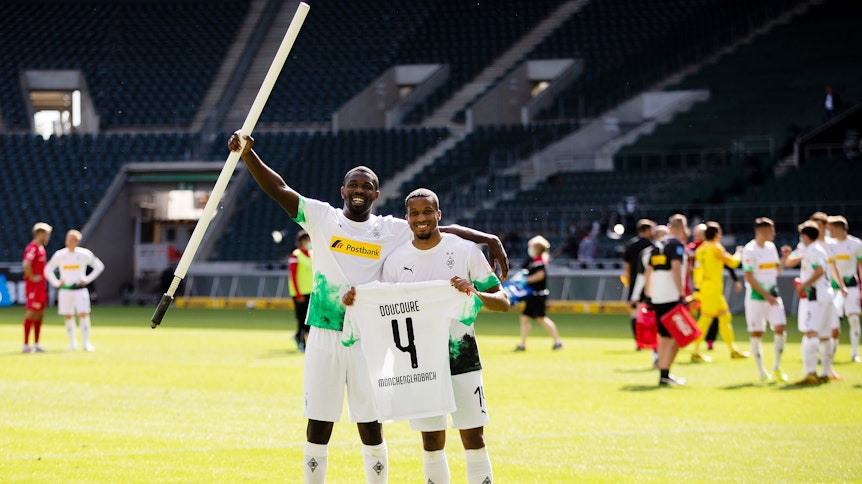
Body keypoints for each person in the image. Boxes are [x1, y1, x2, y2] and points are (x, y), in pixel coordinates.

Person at [228, 131, 508, 484]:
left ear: (376, 194)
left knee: (371, 423)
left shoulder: (390, 230)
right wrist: (248, 155)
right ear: (342, 191)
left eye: (366, 186)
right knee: (318, 422)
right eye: (353, 185)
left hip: (368, 338)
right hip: (324, 331)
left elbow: (433, 227)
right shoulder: (321, 217)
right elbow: (280, 189)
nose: (359, 191)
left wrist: (487, 238)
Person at [344, 188, 509, 484]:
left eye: (427, 212)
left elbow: (504, 301)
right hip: (420, 365)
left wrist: (475, 292)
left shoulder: (463, 250)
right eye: (415, 213)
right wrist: (357, 300)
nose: (421, 219)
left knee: (473, 436)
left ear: (439, 215)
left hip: (462, 355)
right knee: (432, 442)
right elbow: (384, 309)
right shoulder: (396, 261)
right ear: (407, 218)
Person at [741, 218, 792, 383]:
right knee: (757, 334)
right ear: (762, 231)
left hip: (773, 295)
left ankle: (776, 368)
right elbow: (749, 278)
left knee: (780, 328)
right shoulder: (749, 250)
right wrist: (766, 295)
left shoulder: (771, 248)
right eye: (771, 230)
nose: (774, 234)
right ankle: (762, 371)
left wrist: (785, 258)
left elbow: (775, 271)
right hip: (756, 298)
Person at [690, 222, 748, 362]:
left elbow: (697, 271)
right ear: (717, 234)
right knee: (705, 320)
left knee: (725, 317)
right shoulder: (716, 248)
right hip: (713, 290)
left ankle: (733, 350)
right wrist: (739, 252)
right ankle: (695, 351)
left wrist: (698, 288)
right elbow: (733, 262)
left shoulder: (701, 249)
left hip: (707, 288)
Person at [44, 230, 105, 351]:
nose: (68, 242)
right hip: (65, 290)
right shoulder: (60, 255)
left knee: (83, 314)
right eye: (67, 239)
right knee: (68, 316)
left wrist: (87, 279)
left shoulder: (84, 254)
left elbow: (99, 266)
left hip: (79, 290)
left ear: (77, 241)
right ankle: (72, 343)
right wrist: (56, 283)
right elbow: (47, 270)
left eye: (72, 239)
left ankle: (86, 343)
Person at [644, 220, 688, 386]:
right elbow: (676, 268)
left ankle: (663, 373)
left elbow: (649, 272)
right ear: (682, 228)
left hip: (657, 297)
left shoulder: (656, 246)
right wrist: (681, 293)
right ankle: (665, 372)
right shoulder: (676, 244)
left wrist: (649, 294)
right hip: (671, 296)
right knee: (677, 336)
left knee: (664, 337)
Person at [794, 221, 835, 385]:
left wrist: (804, 284)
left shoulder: (812, 250)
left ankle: (811, 373)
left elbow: (819, 270)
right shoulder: (820, 249)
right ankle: (825, 372)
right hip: (826, 295)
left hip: (817, 296)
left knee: (811, 332)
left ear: (804, 236)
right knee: (825, 336)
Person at [515, 235, 563, 351]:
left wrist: (526, 280)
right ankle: (522, 344)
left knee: (541, 318)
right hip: (532, 295)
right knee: (524, 317)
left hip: (538, 295)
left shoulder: (539, 262)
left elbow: (540, 275)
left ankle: (557, 342)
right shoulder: (534, 261)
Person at [826, 215, 862, 362]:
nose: (830, 232)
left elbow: (860, 265)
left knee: (853, 317)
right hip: (833, 288)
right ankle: (831, 350)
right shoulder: (829, 245)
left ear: (841, 228)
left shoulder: (856, 244)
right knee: (833, 321)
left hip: (851, 285)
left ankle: (854, 353)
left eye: (832, 229)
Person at [622, 219, 655, 345]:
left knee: (635, 312)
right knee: (649, 311)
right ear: (647, 230)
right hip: (649, 282)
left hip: (634, 281)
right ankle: (649, 340)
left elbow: (627, 266)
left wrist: (630, 282)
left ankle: (638, 341)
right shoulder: (652, 246)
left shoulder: (630, 244)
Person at [22, 222, 52, 353]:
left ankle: (36, 344)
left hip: (41, 287)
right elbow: (26, 264)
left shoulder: (41, 249)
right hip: (33, 288)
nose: (48, 237)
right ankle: (25, 345)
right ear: (40, 234)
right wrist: (32, 277)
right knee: (31, 313)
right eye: (46, 234)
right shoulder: (33, 248)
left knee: (39, 314)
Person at [289, 230, 312, 352]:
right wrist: (297, 293)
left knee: (309, 320)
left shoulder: (312, 254)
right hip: (300, 293)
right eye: (308, 240)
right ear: (302, 241)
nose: (310, 242)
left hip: (311, 292)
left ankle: (299, 337)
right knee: (302, 318)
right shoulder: (296, 255)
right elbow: (293, 275)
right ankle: (301, 342)